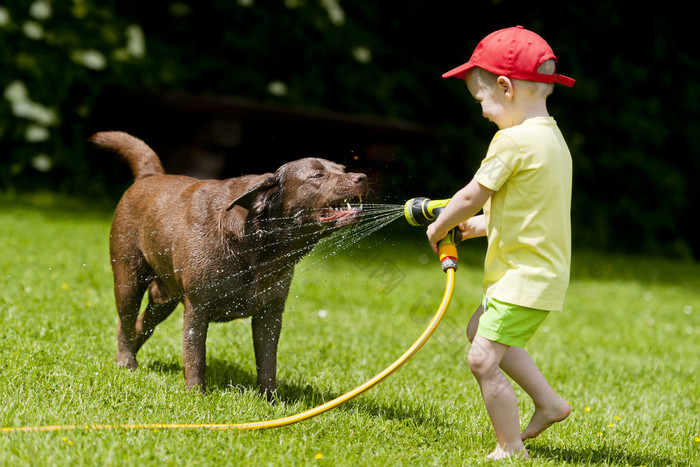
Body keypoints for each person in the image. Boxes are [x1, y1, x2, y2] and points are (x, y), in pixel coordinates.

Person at [427, 26, 575, 460]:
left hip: (525, 277)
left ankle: (510, 448)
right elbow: (530, 208)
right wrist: (478, 227)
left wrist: (440, 228)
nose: (483, 111)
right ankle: (550, 404)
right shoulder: (552, 139)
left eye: (482, 100)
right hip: (537, 273)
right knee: (479, 331)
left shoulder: (510, 141)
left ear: (506, 88)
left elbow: (473, 193)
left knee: (482, 359)